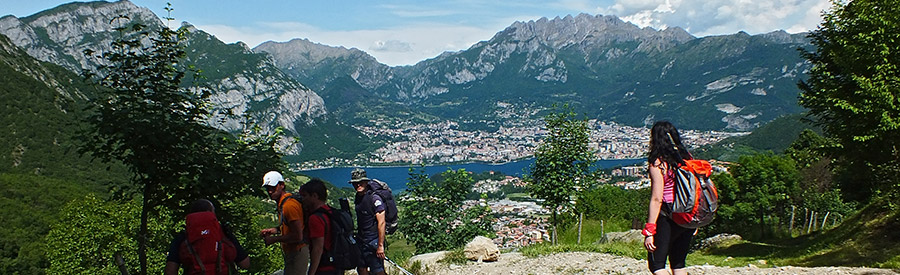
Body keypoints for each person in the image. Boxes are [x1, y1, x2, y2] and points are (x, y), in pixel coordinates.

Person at [643, 121, 697, 275]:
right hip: (687, 214)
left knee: (657, 264)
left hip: (667, 214)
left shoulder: (658, 163)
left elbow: (656, 198)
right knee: (678, 262)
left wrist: (650, 230)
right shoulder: (687, 158)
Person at [164, 199, 250, 275]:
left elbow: (170, 271)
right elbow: (245, 264)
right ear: (212, 213)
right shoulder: (224, 233)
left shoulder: (183, 237)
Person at [259, 171, 309, 275]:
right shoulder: (284, 203)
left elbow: (297, 236)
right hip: (294, 252)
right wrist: (274, 230)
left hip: (297, 252)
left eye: (273, 187)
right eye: (268, 188)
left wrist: (274, 239)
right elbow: (290, 227)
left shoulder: (289, 206)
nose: (270, 191)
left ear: (282, 185)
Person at [299, 178, 342, 275]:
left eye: (305, 196)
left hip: (324, 267)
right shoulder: (331, 212)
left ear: (314, 196)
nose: (303, 199)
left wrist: (311, 272)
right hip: (337, 264)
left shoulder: (315, 218)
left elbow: (318, 248)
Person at [349, 168, 386, 275]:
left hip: (373, 240)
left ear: (366, 182)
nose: (357, 185)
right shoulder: (358, 197)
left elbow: (381, 222)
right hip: (361, 239)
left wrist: (380, 245)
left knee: (377, 271)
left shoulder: (374, 198)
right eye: (355, 183)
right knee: (361, 269)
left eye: (360, 182)